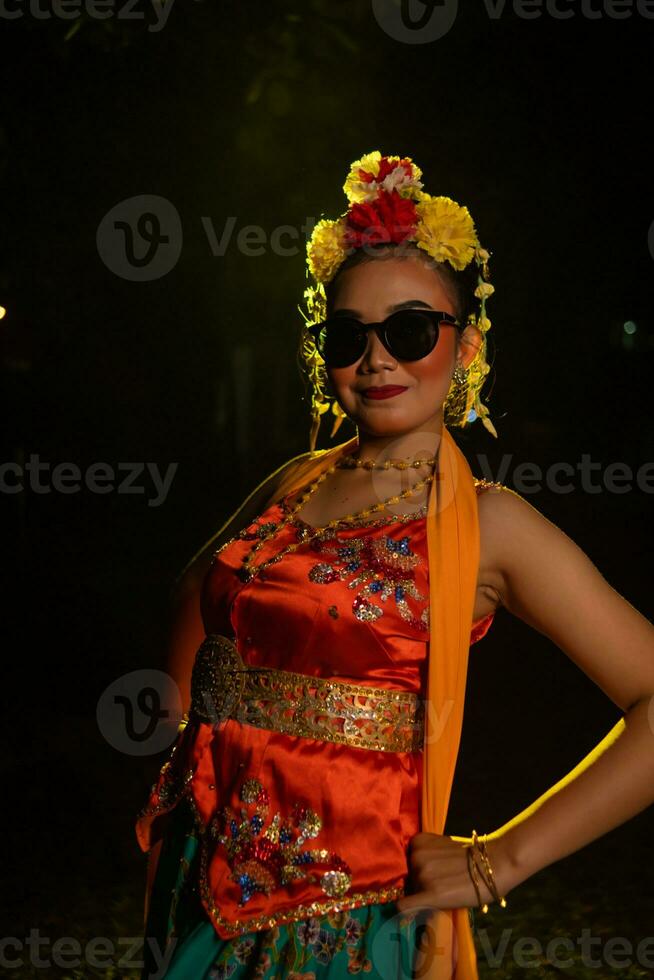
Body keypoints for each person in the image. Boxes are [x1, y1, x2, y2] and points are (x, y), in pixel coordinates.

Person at [135, 152, 654, 980]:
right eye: (349, 336)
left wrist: (499, 860)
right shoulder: (295, 480)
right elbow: (200, 592)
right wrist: (183, 758)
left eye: (409, 331)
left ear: (467, 346)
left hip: (346, 925)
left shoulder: (490, 524)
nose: (377, 360)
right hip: (197, 894)